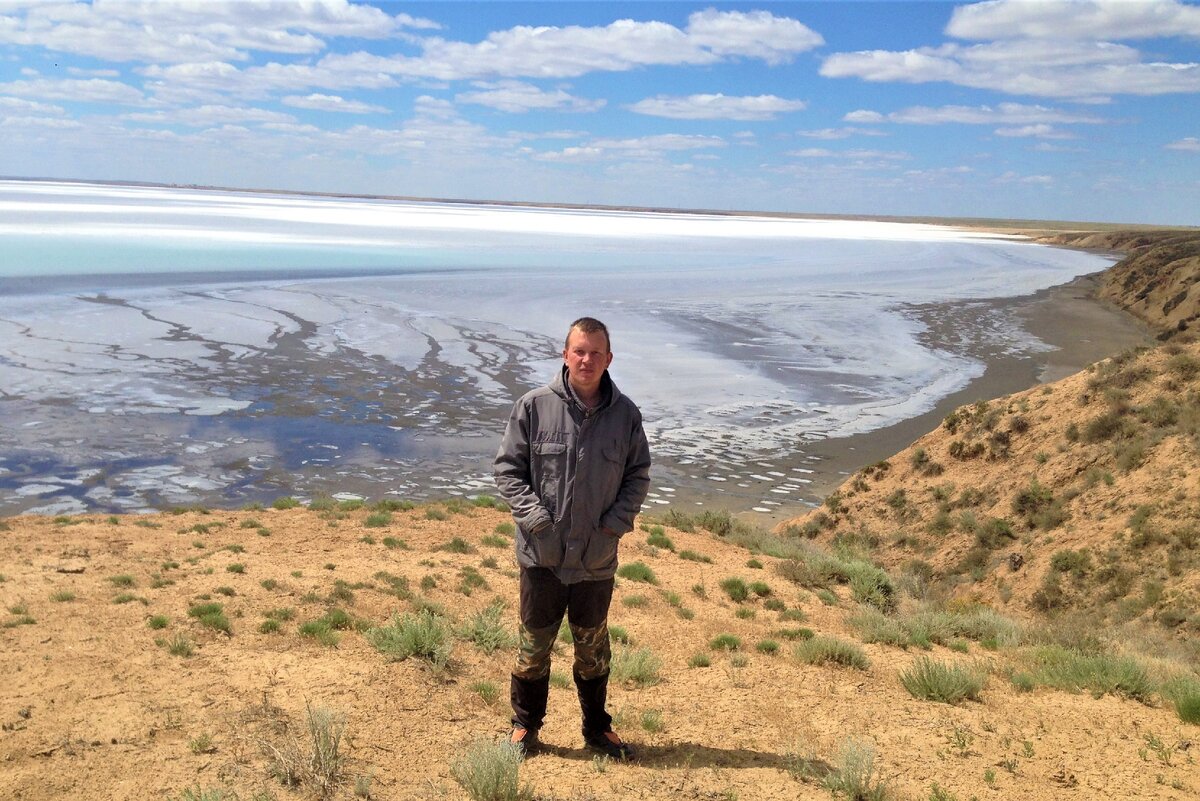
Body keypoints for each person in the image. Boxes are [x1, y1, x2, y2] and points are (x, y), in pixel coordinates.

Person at [494, 316, 651, 760]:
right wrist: (536, 520)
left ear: (608, 359)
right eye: (579, 351)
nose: (586, 359)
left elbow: (638, 475)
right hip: (542, 555)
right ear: (565, 355)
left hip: (595, 560)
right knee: (533, 645)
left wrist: (613, 526)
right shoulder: (533, 407)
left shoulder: (626, 416)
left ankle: (597, 730)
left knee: (592, 647)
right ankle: (525, 727)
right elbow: (508, 470)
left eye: (595, 353)